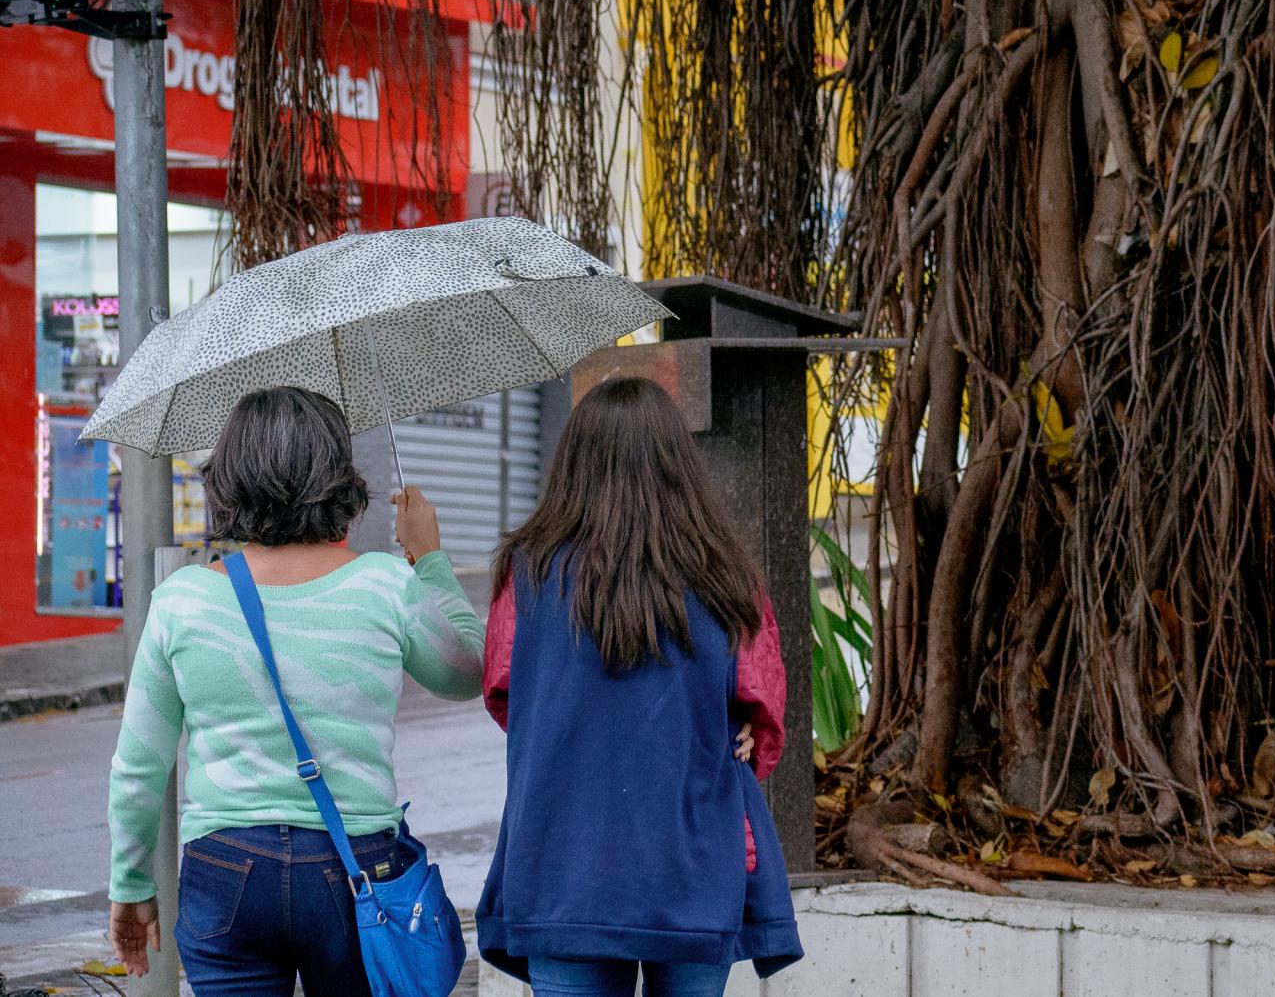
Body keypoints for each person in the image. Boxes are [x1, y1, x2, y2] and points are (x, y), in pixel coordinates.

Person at [106, 386, 486, 995]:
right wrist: (430, 557)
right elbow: (469, 671)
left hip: (225, 871)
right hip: (355, 866)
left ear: (227, 480)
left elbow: (137, 768)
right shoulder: (385, 585)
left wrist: (130, 885)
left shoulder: (182, 601)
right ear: (339, 478)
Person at [476, 376, 803, 997]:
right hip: (692, 867)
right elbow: (764, 703)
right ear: (680, 466)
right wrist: (738, 728)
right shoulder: (727, 577)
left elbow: (505, 695)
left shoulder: (526, 572)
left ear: (572, 464)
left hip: (561, 869)